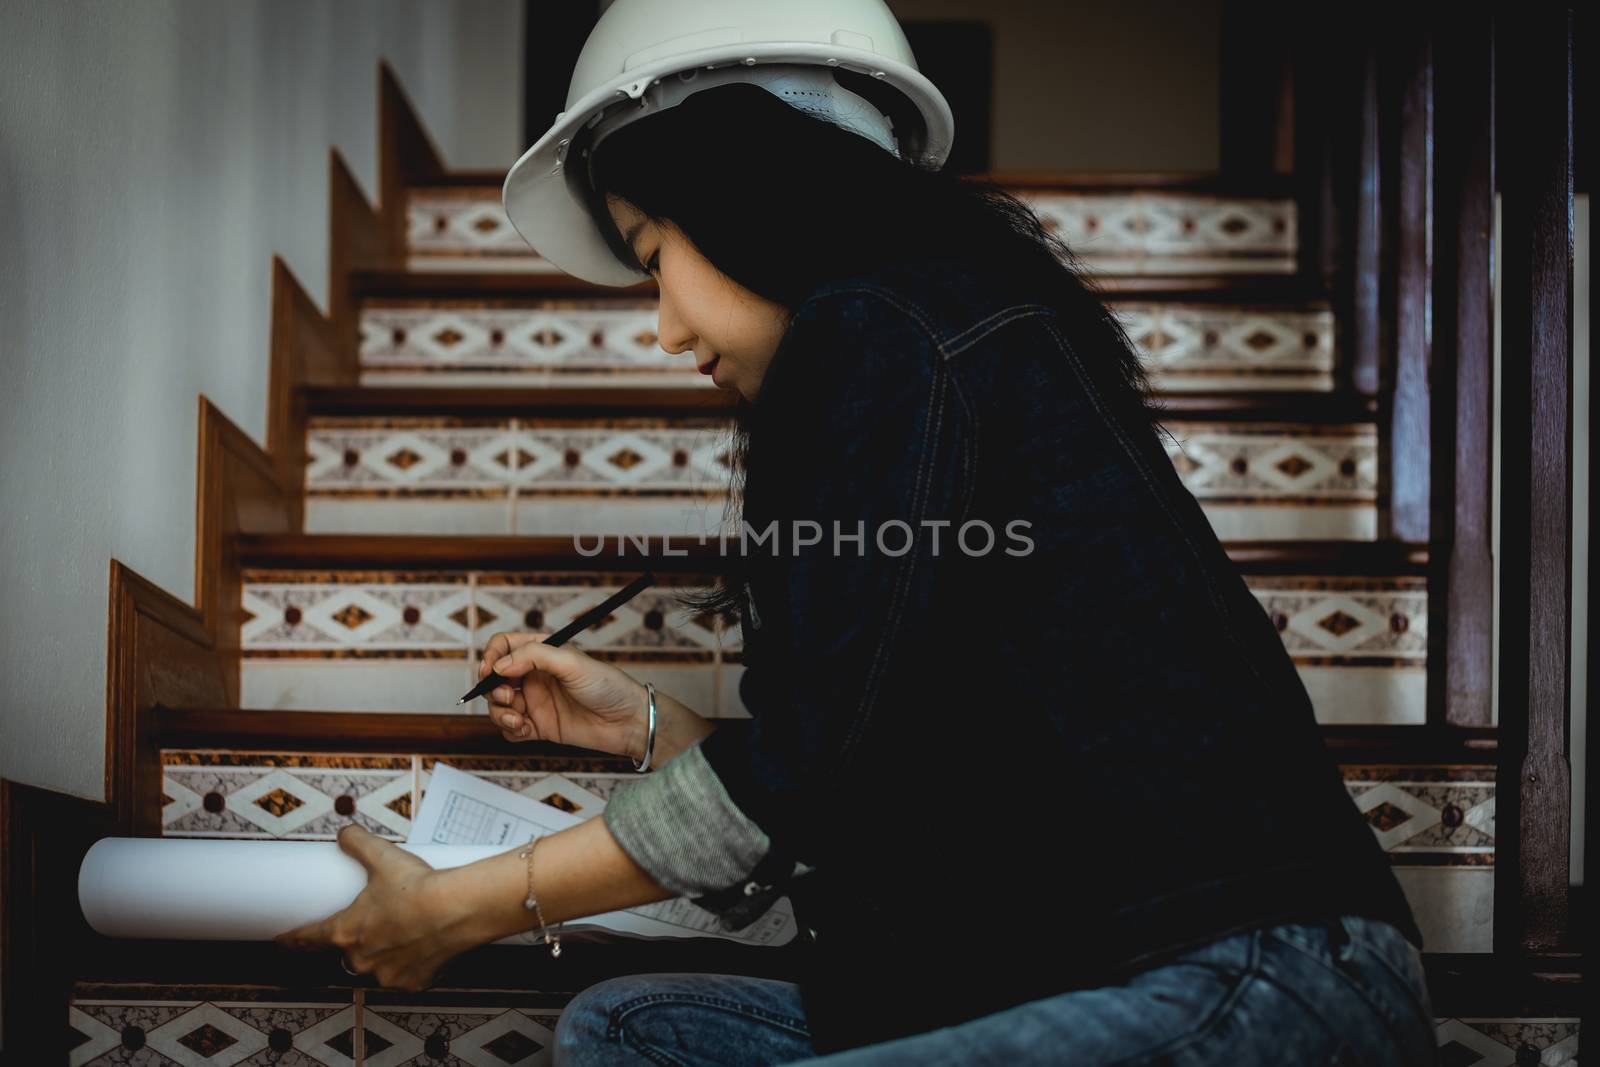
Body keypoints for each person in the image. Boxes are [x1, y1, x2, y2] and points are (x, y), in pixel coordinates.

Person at [277, 2, 1440, 1063]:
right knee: (628, 1029)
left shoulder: (880, 325)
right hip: (1091, 970)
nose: (668, 329)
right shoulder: (927, 331)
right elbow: (862, 771)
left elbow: (801, 777)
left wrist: (463, 903)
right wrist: (650, 725)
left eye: (652, 259)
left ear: (743, 187)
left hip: (1241, 974)